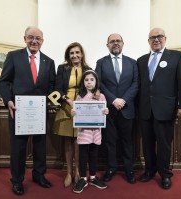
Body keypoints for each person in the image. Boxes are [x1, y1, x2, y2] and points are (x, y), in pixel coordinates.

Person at [0, 26, 56, 195]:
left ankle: (39, 175)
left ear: (42, 42)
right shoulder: (13, 56)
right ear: (24, 39)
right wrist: (8, 100)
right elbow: (3, 82)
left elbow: (51, 87)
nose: (34, 41)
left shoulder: (49, 61)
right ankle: (17, 181)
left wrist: (51, 104)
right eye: (31, 37)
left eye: (38, 38)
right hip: (18, 111)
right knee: (18, 148)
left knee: (40, 146)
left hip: (39, 112)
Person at [137, 28, 181, 189]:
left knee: (164, 145)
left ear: (165, 38)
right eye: (152, 37)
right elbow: (139, 86)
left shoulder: (177, 57)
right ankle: (149, 171)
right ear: (148, 41)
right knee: (147, 144)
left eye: (159, 36)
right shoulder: (141, 60)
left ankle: (165, 174)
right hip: (145, 110)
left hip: (166, 110)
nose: (156, 39)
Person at [95, 33, 138, 184]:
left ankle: (129, 170)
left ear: (123, 43)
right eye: (112, 41)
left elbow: (135, 84)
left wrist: (124, 100)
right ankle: (111, 168)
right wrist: (113, 100)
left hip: (127, 110)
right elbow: (98, 84)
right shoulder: (101, 62)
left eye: (118, 41)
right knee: (110, 142)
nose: (115, 43)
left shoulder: (133, 63)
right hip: (109, 110)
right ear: (107, 45)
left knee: (127, 142)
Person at [53, 42, 91, 187]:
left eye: (77, 52)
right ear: (68, 56)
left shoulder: (88, 69)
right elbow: (57, 89)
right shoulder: (62, 68)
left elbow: (92, 87)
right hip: (66, 107)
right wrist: (68, 101)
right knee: (68, 141)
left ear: (82, 54)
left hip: (82, 108)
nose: (74, 55)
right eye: (72, 53)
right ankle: (69, 172)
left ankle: (78, 172)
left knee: (79, 141)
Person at [71, 70, 109, 193]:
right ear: (83, 82)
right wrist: (74, 113)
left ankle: (92, 177)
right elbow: (76, 111)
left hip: (96, 131)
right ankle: (83, 178)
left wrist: (105, 111)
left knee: (93, 153)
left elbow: (104, 111)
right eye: (86, 80)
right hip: (83, 131)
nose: (89, 82)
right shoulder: (80, 96)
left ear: (96, 81)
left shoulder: (101, 96)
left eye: (92, 80)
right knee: (83, 154)